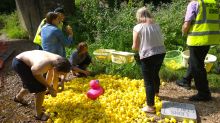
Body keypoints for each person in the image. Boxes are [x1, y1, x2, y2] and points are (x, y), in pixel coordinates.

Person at [176, 0, 219, 101]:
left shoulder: (194, 4)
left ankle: (204, 93)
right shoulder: (213, 3)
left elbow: (187, 24)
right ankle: (186, 80)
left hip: (197, 38)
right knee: (195, 60)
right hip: (210, 38)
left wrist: (183, 33)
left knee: (197, 66)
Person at [12, 50, 71, 121]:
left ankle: (18, 98)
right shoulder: (43, 65)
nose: (60, 74)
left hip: (25, 61)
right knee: (40, 89)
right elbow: (35, 74)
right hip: (20, 64)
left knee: (29, 84)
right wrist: (48, 87)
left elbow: (53, 75)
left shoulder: (59, 60)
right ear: (56, 68)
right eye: (60, 73)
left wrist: (55, 88)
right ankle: (39, 114)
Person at [132, 7, 166, 113]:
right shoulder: (156, 25)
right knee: (155, 74)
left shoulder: (138, 27)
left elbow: (135, 46)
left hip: (148, 55)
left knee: (148, 82)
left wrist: (135, 48)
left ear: (139, 16)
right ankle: (156, 93)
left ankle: (150, 106)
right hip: (161, 53)